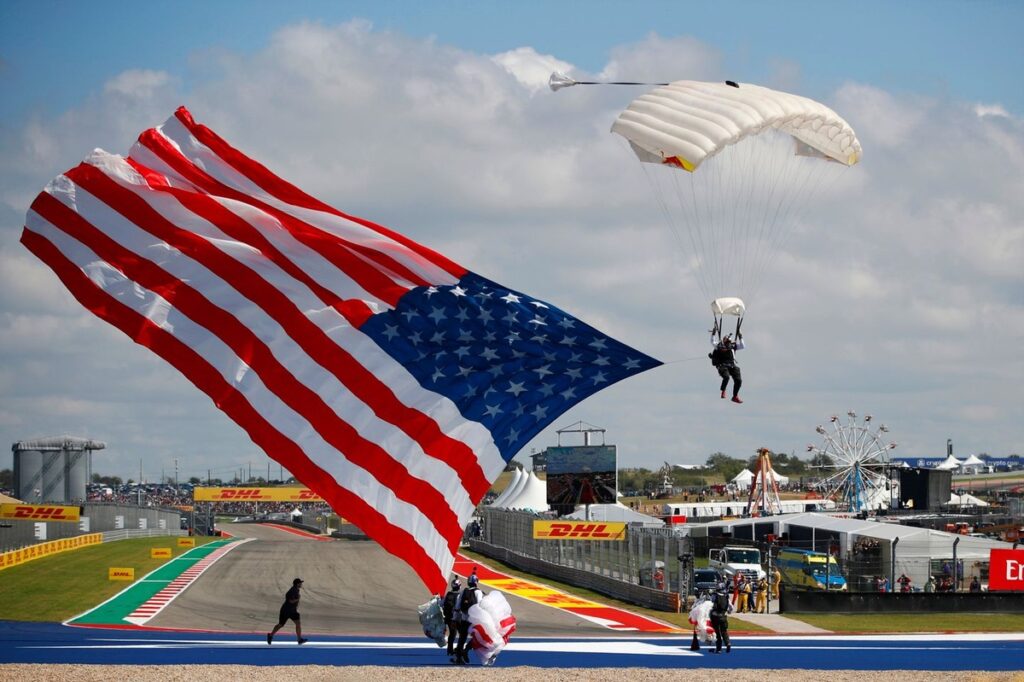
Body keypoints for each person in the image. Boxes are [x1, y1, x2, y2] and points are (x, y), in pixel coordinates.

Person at [267, 578, 308, 645]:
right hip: (286, 611)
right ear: (297, 584)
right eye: (300, 583)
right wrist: (298, 599)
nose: (301, 584)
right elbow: (290, 601)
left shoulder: (296, 590)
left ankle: (299, 639)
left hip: (292, 611)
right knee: (280, 625)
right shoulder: (293, 590)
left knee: (298, 623)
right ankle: (270, 635)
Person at [453, 576, 483, 664]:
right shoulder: (478, 592)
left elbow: (457, 606)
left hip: (464, 618)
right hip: (474, 619)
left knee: (462, 638)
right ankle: (466, 649)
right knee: (478, 636)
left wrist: (454, 618)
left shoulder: (463, 591)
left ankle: (458, 657)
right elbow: (479, 605)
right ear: (476, 582)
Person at [710, 332, 745, 403]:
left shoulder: (733, 346)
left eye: (729, 342)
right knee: (726, 377)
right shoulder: (719, 346)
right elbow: (712, 342)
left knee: (739, 380)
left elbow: (742, 346)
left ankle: (735, 396)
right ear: (723, 340)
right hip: (722, 366)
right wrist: (713, 334)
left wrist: (740, 336)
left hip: (732, 365)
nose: (728, 343)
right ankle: (723, 391)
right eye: (726, 341)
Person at [709, 582, 733, 654]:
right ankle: (728, 643)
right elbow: (731, 607)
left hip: (715, 617)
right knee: (724, 631)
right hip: (723, 617)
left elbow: (710, 604)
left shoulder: (714, 596)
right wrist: (728, 612)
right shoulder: (726, 597)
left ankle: (719, 649)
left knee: (717, 633)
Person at [442, 578, 462, 660]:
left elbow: (442, 604)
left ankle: (450, 649)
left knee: (452, 634)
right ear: (459, 586)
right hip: (458, 617)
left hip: (449, 617)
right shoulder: (460, 595)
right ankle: (458, 650)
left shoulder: (448, 594)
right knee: (461, 634)